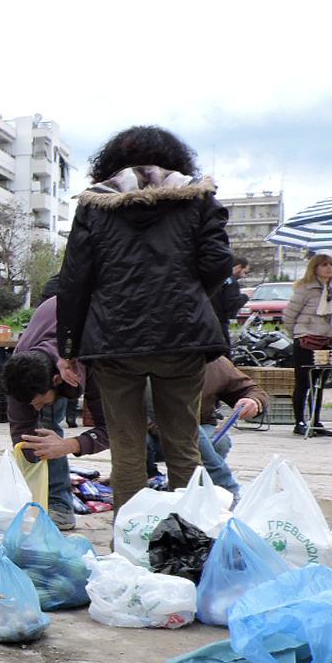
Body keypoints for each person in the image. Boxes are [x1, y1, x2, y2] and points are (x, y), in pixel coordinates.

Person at [55, 127, 233, 517]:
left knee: (127, 450)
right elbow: (218, 264)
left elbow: (74, 280)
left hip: (113, 340)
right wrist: (187, 295)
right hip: (183, 336)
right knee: (184, 447)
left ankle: (128, 542)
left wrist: (67, 348)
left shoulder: (96, 205)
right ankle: (190, 537)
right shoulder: (198, 198)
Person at [1, 295, 109, 531]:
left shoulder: (94, 363)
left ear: (56, 379)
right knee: (39, 439)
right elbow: (21, 434)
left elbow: (114, 429)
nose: (36, 408)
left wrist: (70, 445)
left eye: (39, 402)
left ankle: (60, 505)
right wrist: (30, 473)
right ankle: (44, 501)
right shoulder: (20, 369)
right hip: (54, 325)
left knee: (49, 426)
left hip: (102, 337)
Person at [147, 356, 266, 503]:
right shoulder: (149, 359)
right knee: (138, 439)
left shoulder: (215, 362)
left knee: (218, 441)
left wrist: (253, 400)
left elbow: (249, 389)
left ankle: (203, 484)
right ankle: (224, 486)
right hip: (151, 429)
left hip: (200, 426)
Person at [284, 253, 332, 437]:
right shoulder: (306, 287)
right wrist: (297, 334)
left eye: (331, 265)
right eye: (324, 265)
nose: (329, 268)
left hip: (326, 339)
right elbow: (289, 314)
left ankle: (315, 421)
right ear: (315, 267)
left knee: (319, 384)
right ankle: (299, 422)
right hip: (306, 339)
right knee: (304, 382)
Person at [213, 256, 250, 340]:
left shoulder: (216, 278)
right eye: (245, 272)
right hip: (221, 322)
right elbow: (232, 304)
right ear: (239, 267)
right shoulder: (232, 282)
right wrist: (245, 296)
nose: (244, 276)